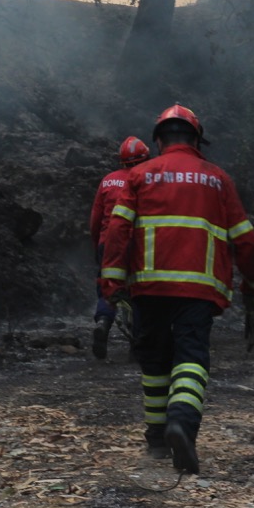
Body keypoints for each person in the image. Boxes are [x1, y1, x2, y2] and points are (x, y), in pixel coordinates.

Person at [100, 104, 254, 474]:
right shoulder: (218, 178)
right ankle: (182, 424)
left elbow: (116, 232)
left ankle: (158, 439)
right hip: (198, 290)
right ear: (196, 140)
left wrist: (112, 284)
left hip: (149, 286)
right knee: (191, 358)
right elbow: (247, 241)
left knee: (155, 362)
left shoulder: (139, 175)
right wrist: (253, 285)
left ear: (158, 140)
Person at [88, 135, 151, 359]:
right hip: (137, 245)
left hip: (108, 244)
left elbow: (95, 219)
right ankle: (137, 345)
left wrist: (99, 246)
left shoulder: (108, 180)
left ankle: (104, 321)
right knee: (137, 293)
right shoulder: (147, 180)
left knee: (108, 288)